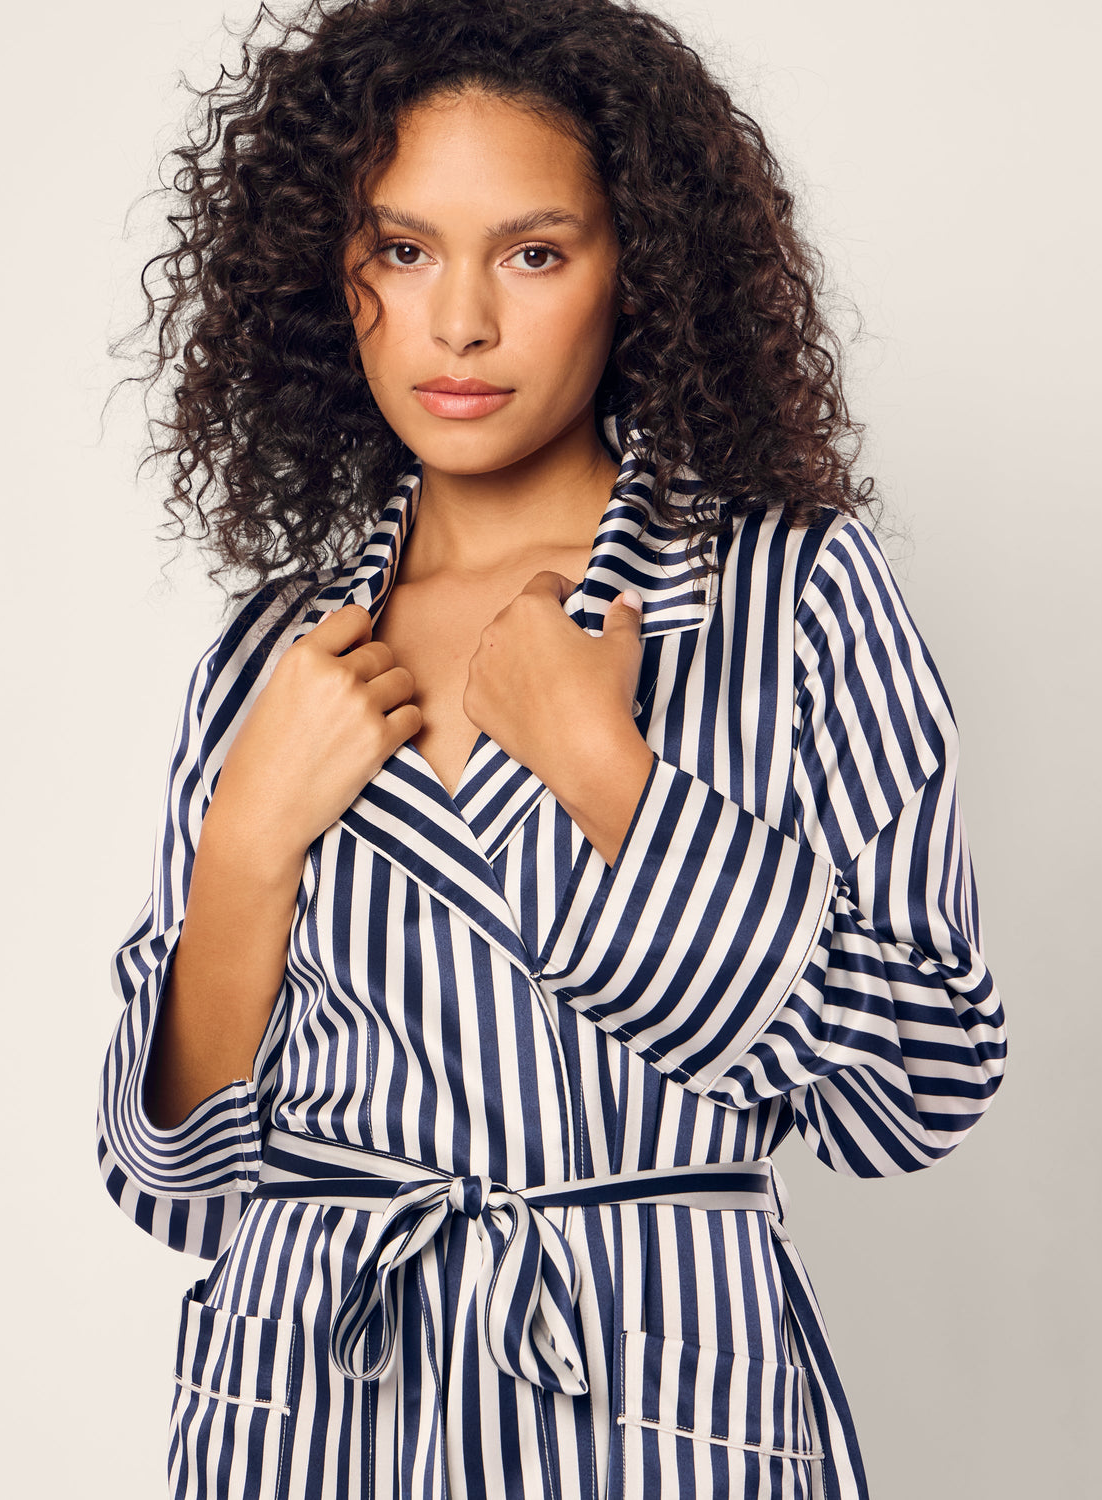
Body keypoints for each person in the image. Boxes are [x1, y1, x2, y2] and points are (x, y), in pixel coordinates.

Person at [96, 2, 1007, 1496]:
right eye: (402, 249)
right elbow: (177, 1185)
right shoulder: (275, 655)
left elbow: (921, 1080)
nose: (459, 323)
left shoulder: (790, 594)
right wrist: (247, 849)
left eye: (532, 252)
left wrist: (612, 776)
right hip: (310, 1412)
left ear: (635, 271)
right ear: (334, 273)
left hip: (659, 1409)